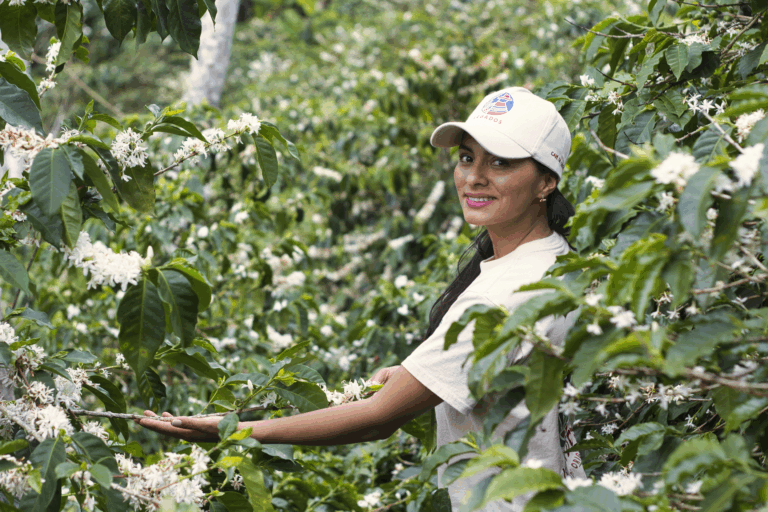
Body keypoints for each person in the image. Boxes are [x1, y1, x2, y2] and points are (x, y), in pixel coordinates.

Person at [138, 86, 584, 511]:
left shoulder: (498, 297)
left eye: (501, 163)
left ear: (546, 182)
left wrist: (233, 430)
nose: (473, 177)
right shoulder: (559, 259)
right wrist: (421, 373)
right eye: (467, 157)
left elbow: (378, 418)